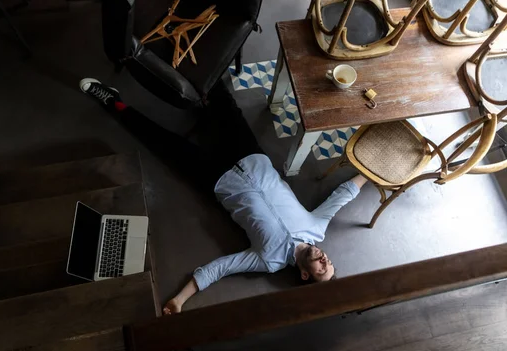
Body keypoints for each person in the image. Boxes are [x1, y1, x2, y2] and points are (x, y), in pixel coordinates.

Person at [79, 77, 367, 315]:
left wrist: (179, 300)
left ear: (305, 275)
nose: (325, 262)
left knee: (163, 143)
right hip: (252, 157)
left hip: (218, 179)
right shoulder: (316, 227)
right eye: (329, 265)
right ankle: (194, 53)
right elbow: (343, 196)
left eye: (320, 270)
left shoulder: (269, 260)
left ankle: (112, 101)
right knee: (224, 103)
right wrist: (374, 173)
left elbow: (220, 268)